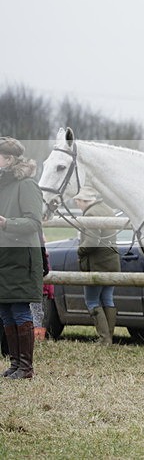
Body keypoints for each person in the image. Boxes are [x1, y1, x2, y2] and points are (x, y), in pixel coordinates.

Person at [0, 136, 44, 379]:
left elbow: (34, 222)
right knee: (5, 311)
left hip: (20, 259)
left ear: (9, 159)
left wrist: (7, 223)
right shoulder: (3, 185)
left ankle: (26, 367)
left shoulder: (27, 185)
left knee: (19, 310)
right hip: (4, 258)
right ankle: (15, 363)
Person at [73, 186, 121, 346]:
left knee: (92, 300)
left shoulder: (91, 214)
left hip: (97, 264)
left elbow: (92, 242)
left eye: (77, 201)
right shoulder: (107, 209)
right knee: (107, 299)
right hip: (112, 263)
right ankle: (109, 337)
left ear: (82, 201)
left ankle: (104, 339)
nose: (77, 204)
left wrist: (79, 250)